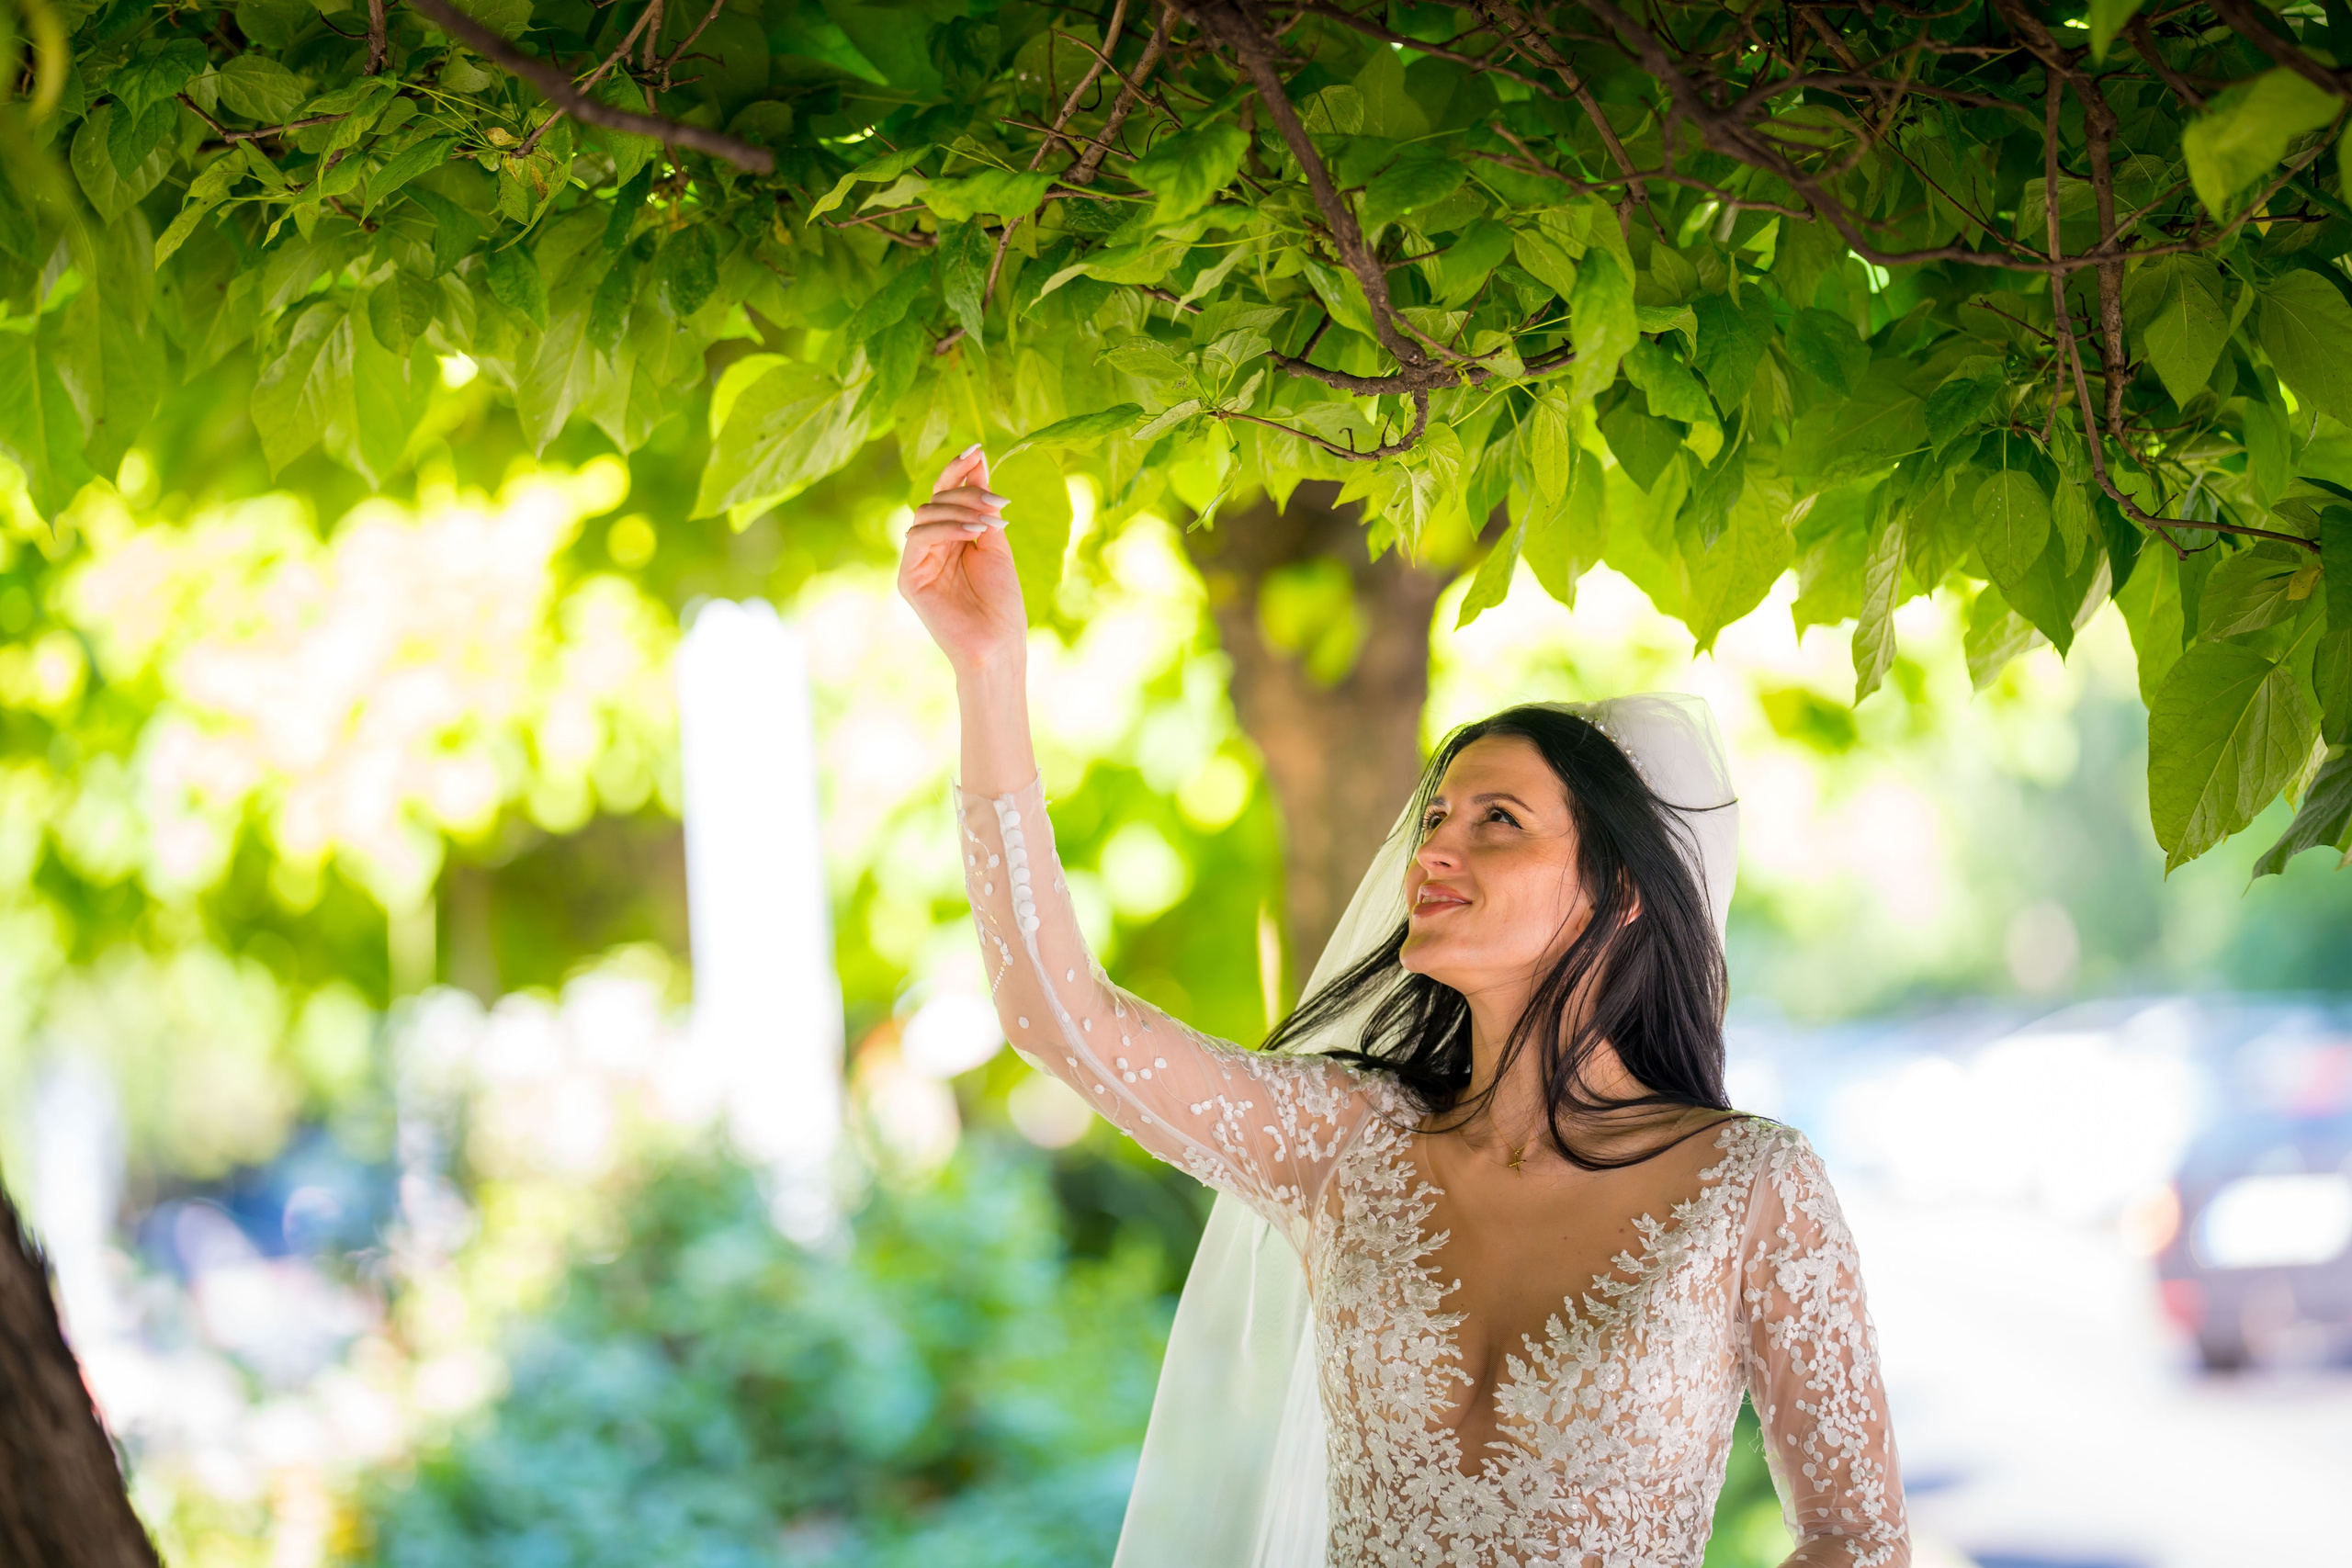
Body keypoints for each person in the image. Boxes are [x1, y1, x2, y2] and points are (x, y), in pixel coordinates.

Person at [898, 444, 1909, 1568]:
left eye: (1497, 822)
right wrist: (986, 671)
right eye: (1437, 816)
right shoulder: (1345, 1145)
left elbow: (1857, 1541)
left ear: (1621, 893)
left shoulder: (1749, 1190)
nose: (1435, 848)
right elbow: (1058, 1018)